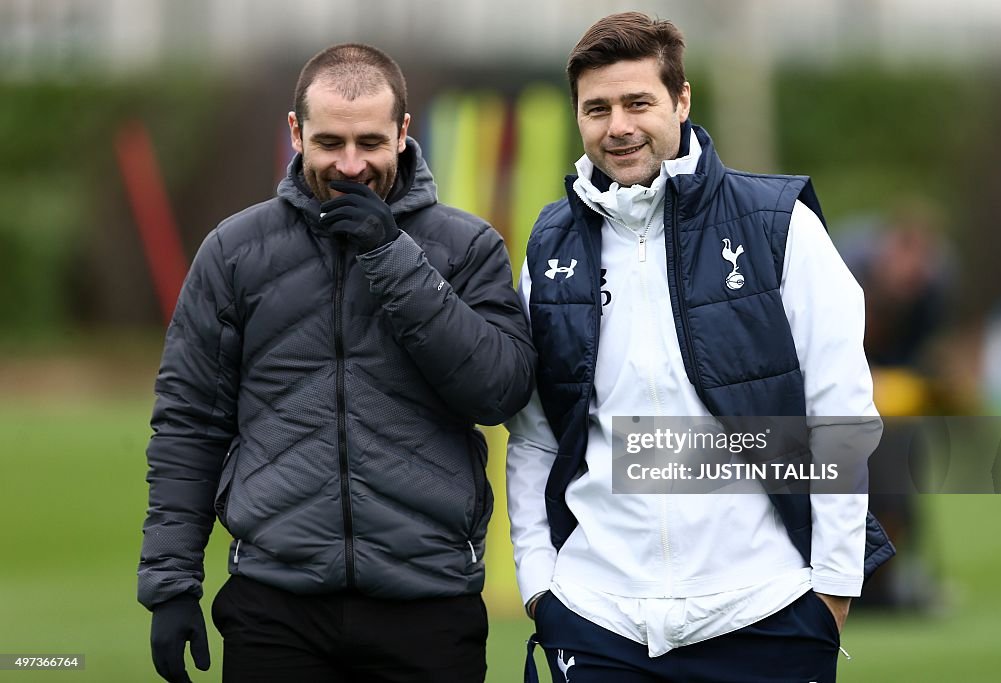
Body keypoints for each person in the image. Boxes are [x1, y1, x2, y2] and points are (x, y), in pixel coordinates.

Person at [506, 12, 894, 683]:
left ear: (681, 101)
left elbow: (840, 412)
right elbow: (535, 434)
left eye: (638, 102)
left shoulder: (780, 225)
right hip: (598, 621)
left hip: (767, 610)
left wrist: (830, 592)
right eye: (596, 108)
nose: (618, 126)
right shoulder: (548, 248)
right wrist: (542, 584)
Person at [138, 43, 535, 683]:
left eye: (370, 142)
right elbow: (189, 424)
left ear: (405, 133)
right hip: (275, 605)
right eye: (330, 143)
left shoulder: (467, 247)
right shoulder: (233, 253)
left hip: (428, 601)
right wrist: (171, 580)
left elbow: (500, 391)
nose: (351, 166)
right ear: (295, 133)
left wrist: (393, 254)